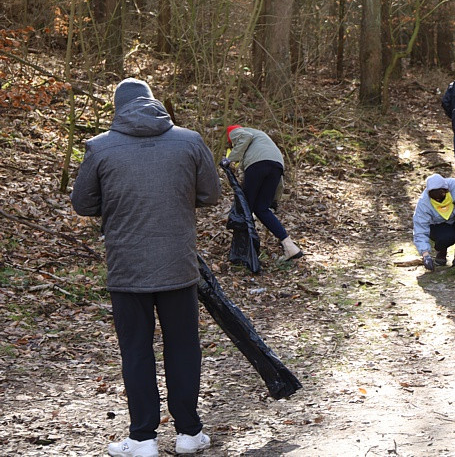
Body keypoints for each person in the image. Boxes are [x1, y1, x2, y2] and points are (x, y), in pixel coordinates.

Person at [71, 78, 221, 457]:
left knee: (136, 351)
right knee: (183, 347)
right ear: (153, 102)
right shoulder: (189, 141)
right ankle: (189, 434)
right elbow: (210, 194)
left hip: (127, 268)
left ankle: (142, 440)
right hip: (177, 265)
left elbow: (83, 203)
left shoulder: (101, 148)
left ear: (117, 108)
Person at [222, 125, 303, 261]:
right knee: (261, 209)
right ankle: (290, 247)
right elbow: (278, 180)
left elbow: (245, 138)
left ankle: (245, 253)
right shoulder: (261, 139)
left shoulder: (235, 131)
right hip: (277, 165)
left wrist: (229, 159)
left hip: (258, 165)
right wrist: (274, 200)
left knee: (245, 208)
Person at [413, 173, 455, 270]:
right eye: (434, 198)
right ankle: (441, 250)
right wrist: (425, 255)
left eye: (441, 197)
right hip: (439, 226)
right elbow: (420, 228)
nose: (438, 200)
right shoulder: (423, 203)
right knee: (447, 237)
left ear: (447, 190)